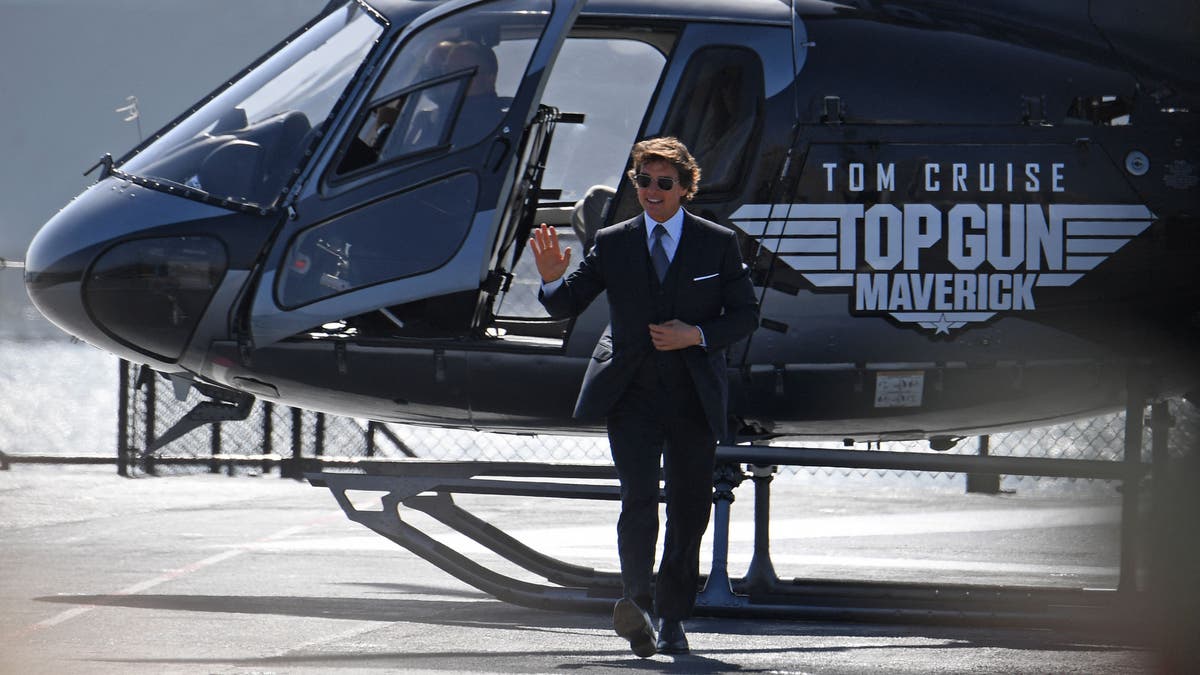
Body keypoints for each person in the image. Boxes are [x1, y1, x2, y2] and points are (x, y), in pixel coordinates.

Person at [529, 137, 759, 657]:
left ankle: (673, 613)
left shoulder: (717, 243)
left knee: (689, 507)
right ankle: (637, 603)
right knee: (637, 501)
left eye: (663, 183)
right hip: (630, 394)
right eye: (643, 181)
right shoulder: (613, 242)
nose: (652, 191)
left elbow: (745, 316)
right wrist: (549, 281)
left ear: (684, 189)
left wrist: (695, 335)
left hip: (692, 396)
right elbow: (566, 303)